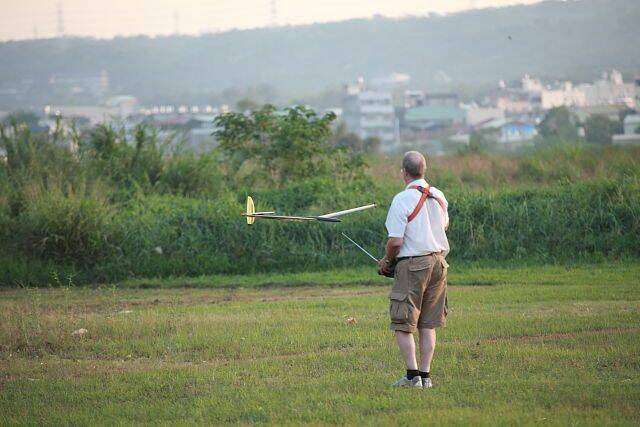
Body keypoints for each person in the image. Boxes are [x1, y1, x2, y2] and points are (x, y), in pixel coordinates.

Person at [378, 151, 450, 389]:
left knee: (403, 321)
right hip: (439, 263)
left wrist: (387, 262)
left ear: (403, 173)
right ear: (424, 170)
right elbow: (443, 226)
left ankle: (412, 377)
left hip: (413, 264)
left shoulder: (402, 199)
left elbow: (395, 242)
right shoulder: (439, 196)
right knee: (427, 323)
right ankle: (425, 377)